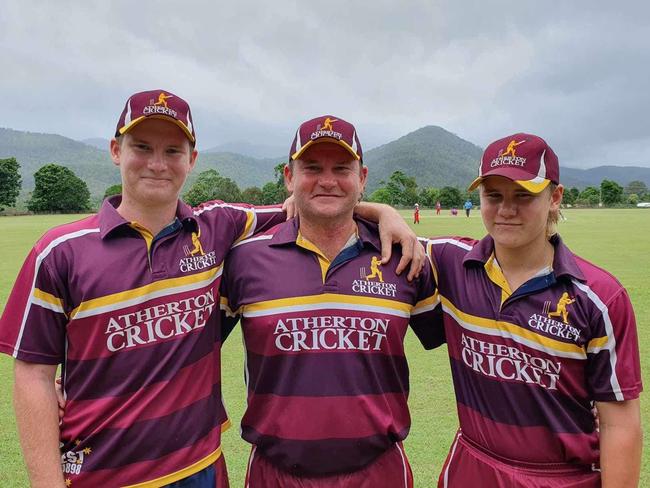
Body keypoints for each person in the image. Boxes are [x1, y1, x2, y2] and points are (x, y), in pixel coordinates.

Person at [0, 91, 422, 488]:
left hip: (199, 467)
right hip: (101, 470)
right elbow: (33, 373)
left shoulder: (217, 227)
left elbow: (317, 203)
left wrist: (384, 212)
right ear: (116, 151)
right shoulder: (59, 251)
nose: (157, 164)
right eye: (142, 147)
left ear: (192, 159)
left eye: (172, 151)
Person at [219, 115, 443, 487]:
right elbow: (193, 347)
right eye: (311, 168)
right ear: (289, 177)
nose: (327, 180)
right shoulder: (244, 259)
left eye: (342, 168)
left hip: (378, 472)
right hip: (276, 473)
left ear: (363, 177)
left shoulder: (403, 257)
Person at [425, 133, 642, 487]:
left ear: (555, 197)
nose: (506, 209)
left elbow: (619, 422)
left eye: (523, 195)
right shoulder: (450, 261)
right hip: (471, 470)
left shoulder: (600, 297)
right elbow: (369, 230)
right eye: (493, 195)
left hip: (560, 478)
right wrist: (380, 211)